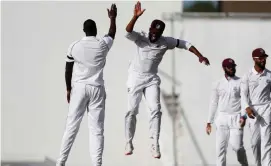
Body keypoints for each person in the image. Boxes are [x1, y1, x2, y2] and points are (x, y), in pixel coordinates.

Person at [124, 1, 210, 159]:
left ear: (161, 33)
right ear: (150, 29)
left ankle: (155, 143)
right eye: (153, 33)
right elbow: (128, 31)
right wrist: (135, 17)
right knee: (131, 111)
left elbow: (185, 44)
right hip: (135, 77)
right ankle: (129, 141)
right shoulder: (141, 37)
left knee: (156, 110)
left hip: (151, 79)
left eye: (157, 34)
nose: (154, 36)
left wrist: (200, 56)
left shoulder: (165, 41)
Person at [56, 4, 117, 166]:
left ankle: (61, 162)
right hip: (97, 88)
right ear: (95, 30)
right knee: (96, 130)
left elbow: (68, 68)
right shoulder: (102, 44)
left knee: (71, 127)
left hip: (79, 88)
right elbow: (112, 33)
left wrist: (68, 88)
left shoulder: (74, 46)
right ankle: (97, 164)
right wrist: (112, 18)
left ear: (84, 30)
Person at [206, 58, 248, 166]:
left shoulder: (241, 82)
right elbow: (213, 103)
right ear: (224, 68)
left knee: (237, 147)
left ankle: (244, 164)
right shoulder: (217, 84)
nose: (232, 69)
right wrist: (209, 122)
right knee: (220, 151)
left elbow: (244, 100)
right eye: (230, 67)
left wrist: (244, 116)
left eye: (234, 67)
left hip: (236, 118)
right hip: (222, 118)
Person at [241, 48, 271, 166]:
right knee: (255, 142)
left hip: (267, 108)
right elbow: (243, 94)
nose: (263, 60)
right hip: (253, 110)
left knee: (267, 141)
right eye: (261, 58)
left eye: (264, 58)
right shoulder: (247, 76)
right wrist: (247, 108)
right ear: (254, 59)